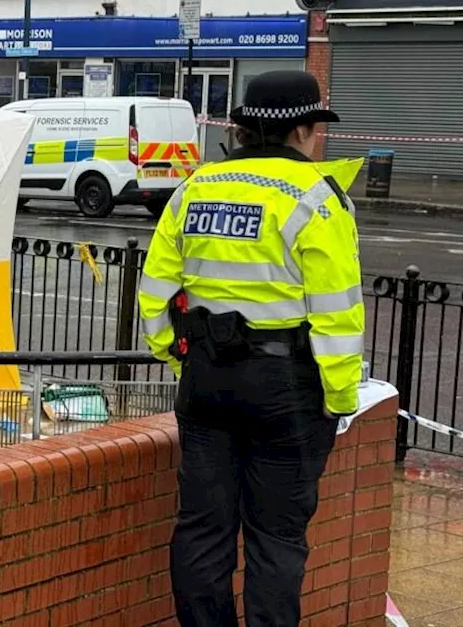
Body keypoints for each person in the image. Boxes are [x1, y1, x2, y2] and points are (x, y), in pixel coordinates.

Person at [138, 70, 365, 627]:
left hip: (207, 380)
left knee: (202, 529)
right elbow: (337, 315)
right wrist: (339, 399)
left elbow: (154, 295)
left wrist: (180, 356)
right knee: (276, 540)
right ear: (305, 131)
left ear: (240, 129)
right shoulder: (317, 198)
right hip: (286, 390)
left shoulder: (195, 188)